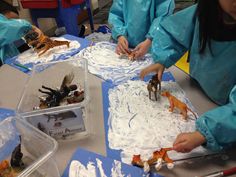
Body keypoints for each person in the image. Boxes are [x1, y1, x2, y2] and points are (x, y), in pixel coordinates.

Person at [140, 0, 236, 153]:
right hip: (196, 90)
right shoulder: (203, 12)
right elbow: (173, 32)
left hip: (226, 116)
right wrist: (162, 58)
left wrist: (205, 134)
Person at [108, 0, 175, 59]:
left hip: (152, 46)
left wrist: (149, 40)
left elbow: (163, 17)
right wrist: (119, 35)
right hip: (125, 46)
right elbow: (115, 14)